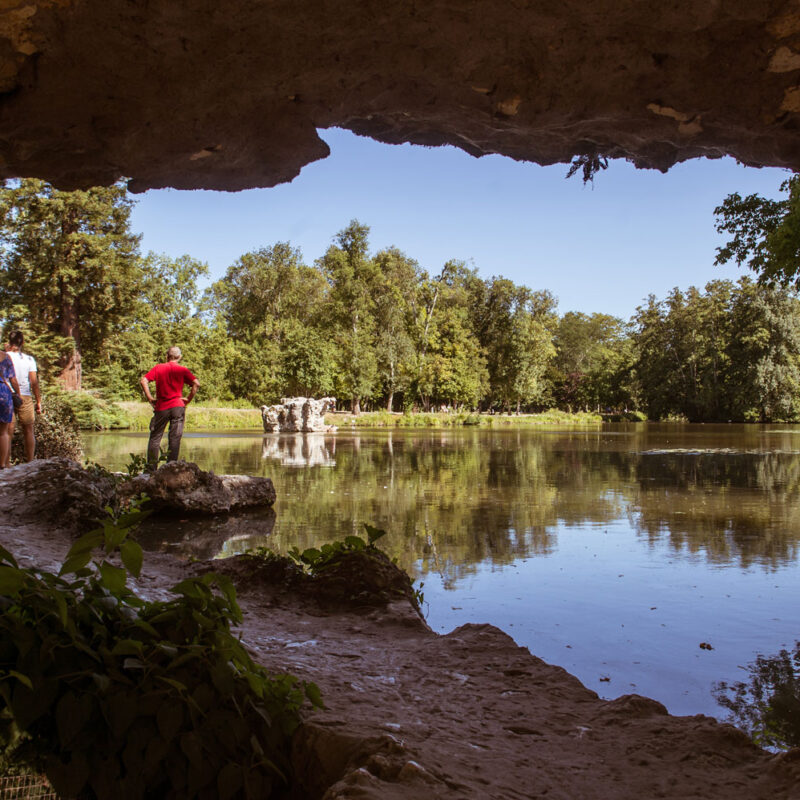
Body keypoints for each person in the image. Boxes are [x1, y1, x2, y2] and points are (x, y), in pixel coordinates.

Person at [140, 346, 200, 466]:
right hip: (178, 407)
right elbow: (196, 384)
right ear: (180, 357)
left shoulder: (158, 367)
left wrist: (150, 398)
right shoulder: (182, 370)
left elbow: (144, 380)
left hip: (162, 407)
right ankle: (170, 467)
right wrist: (188, 399)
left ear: (167, 356)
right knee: (175, 439)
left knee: (155, 438)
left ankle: (151, 469)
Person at [7, 331, 42, 462]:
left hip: (7, 394)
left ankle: (6, 463)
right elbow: (34, 382)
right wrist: (38, 401)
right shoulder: (29, 359)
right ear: (22, 342)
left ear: (9, 342)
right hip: (25, 396)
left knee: (7, 430)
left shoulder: (4, 356)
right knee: (28, 430)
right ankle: (30, 461)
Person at [0, 347, 21, 469]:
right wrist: (18, 395)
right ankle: (2, 464)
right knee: (3, 432)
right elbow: (13, 379)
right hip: (3, 392)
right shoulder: (6, 357)